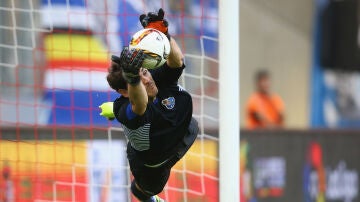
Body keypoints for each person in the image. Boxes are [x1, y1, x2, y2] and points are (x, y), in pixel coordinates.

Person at [100, 8, 199, 202]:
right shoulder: (125, 107)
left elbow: (177, 60)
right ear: (124, 92)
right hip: (151, 167)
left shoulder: (152, 77)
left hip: (183, 130)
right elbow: (139, 106)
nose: (147, 79)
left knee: (193, 125)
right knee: (143, 190)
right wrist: (132, 78)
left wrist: (162, 34)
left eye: (144, 73)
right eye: (138, 79)